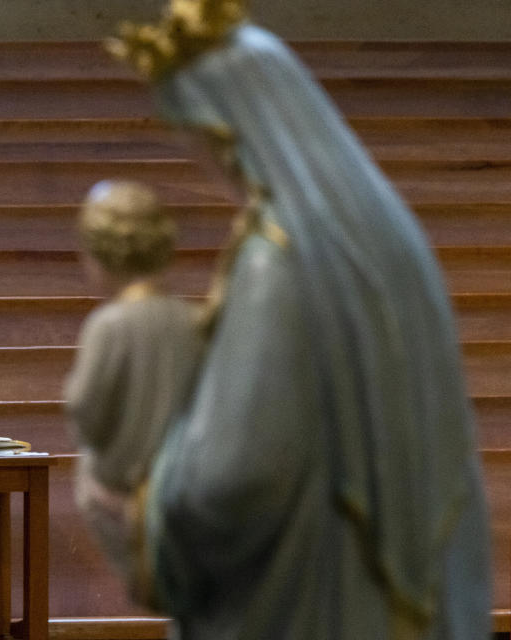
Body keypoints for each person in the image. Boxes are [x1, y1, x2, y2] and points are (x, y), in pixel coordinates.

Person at [68, 1, 492, 638]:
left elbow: (235, 474)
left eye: (200, 145)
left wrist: (138, 511)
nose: (208, 168)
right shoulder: (381, 240)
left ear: (231, 135)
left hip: (314, 591)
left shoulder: (281, 261)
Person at [64, 179, 203, 590]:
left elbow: (86, 413)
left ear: (99, 256)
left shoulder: (110, 325)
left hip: (128, 498)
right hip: (190, 489)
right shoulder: (195, 320)